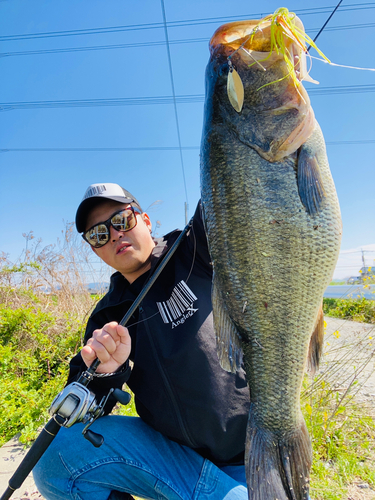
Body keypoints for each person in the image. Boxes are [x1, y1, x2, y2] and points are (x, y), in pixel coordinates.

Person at [33, 182, 250, 500]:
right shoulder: (106, 316)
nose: (115, 235)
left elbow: (228, 192)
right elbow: (89, 404)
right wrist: (108, 371)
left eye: (121, 220)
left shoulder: (193, 249)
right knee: (54, 458)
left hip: (250, 453)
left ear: (145, 220)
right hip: (173, 461)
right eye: (99, 234)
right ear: (95, 249)